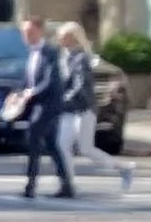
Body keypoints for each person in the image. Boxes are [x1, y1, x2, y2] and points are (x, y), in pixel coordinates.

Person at [56, 21, 134, 193]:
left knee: (86, 148)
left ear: (72, 38)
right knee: (62, 145)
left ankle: (123, 168)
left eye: (63, 37)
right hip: (69, 110)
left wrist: (64, 99)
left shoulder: (81, 58)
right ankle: (68, 184)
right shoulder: (64, 57)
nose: (59, 40)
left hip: (83, 109)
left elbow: (80, 85)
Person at [10, 13, 72, 198]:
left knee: (33, 139)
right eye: (24, 32)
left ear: (39, 31)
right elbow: (28, 79)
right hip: (36, 104)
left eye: (29, 31)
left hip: (49, 104)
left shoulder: (51, 52)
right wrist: (17, 93)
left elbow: (50, 81)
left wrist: (31, 93)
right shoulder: (32, 53)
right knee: (51, 144)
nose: (26, 35)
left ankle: (30, 186)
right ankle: (67, 185)